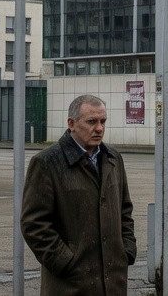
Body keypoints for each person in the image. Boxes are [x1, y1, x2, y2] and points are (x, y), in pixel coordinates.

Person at [21, 94, 136, 296]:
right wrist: (65, 262)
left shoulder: (113, 159)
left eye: (103, 121)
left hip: (113, 282)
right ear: (71, 124)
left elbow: (125, 210)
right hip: (70, 285)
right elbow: (34, 224)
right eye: (92, 121)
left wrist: (126, 250)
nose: (99, 128)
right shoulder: (47, 163)